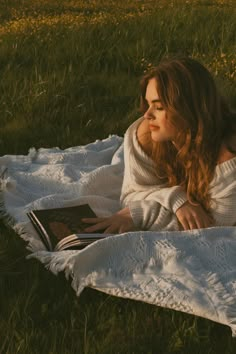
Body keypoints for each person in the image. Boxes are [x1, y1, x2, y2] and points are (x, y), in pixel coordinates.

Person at [82, 56, 236, 234]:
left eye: (159, 107)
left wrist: (137, 215)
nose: (147, 115)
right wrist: (175, 199)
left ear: (188, 109)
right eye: (148, 104)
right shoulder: (144, 135)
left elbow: (210, 227)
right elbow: (130, 197)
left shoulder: (229, 156)